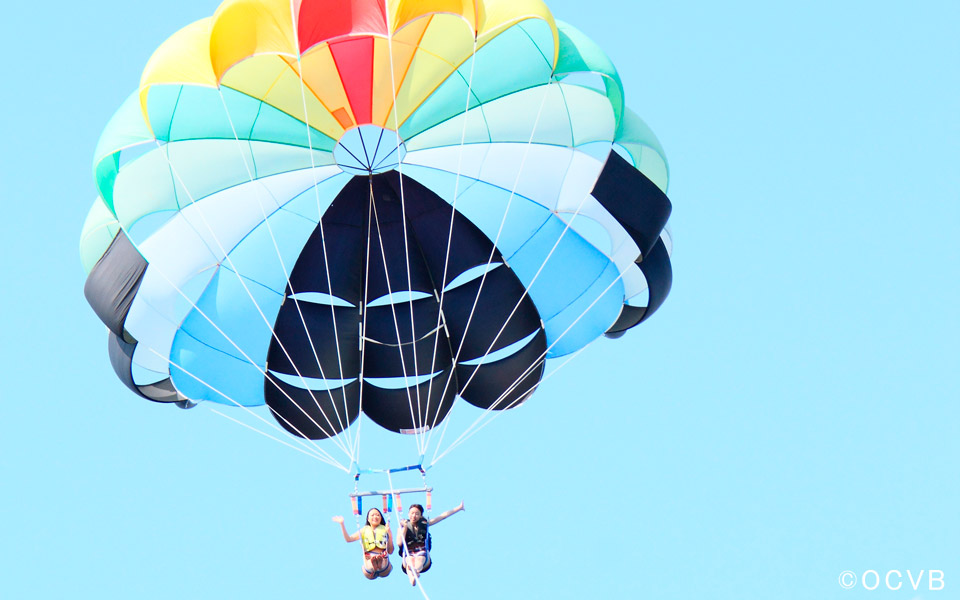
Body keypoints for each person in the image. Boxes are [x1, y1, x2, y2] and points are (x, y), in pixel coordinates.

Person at [398, 502, 464, 586]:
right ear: (408, 514)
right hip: (408, 551)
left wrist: (458, 508)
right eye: (412, 513)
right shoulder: (403, 525)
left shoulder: (425, 524)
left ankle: (416, 571)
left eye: (417, 514)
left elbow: (443, 516)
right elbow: (399, 542)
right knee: (409, 561)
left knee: (419, 559)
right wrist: (404, 528)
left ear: (420, 515)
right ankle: (412, 576)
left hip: (422, 551)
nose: (414, 516)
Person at [332, 508, 394, 579]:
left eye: (377, 515)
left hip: (384, 566)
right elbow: (348, 539)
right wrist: (342, 524)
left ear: (381, 518)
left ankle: (380, 561)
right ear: (368, 519)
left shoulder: (385, 529)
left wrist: (389, 533)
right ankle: (375, 563)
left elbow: (390, 551)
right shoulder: (364, 530)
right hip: (369, 564)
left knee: (384, 564)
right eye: (372, 515)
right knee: (370, 563)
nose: (375, 517)